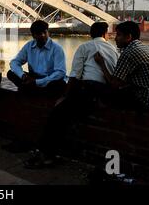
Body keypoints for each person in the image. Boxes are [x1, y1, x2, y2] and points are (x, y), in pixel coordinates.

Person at [21, 22, 119, 168]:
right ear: (105, 34)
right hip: (105, 93)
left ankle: (46, 155)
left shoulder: (85, 47)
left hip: (88, 90)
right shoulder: (114, 49)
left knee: (56, 115)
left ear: (91, 34)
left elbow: (74, 76)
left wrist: (64, 97)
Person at [94, 21, 149, 112]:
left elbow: (114, 83)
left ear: (128, 37)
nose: (115, 38)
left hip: (148, 103)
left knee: (102, 92)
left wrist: (102, 63)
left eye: (118, 35)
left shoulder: (129, 52)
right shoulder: (143, 48)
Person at [7, 20, 67, 97]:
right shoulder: (29, 46)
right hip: (32, 77)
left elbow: (60, 72)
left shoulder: (57, 49)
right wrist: (23, 76)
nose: (43, 35)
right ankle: (37, 91)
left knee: (60, 84)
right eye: (39, 33)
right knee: (11, 73)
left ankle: (31, 89)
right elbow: (14, 62)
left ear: (47, 32)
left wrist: (37, 82)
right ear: (33, 35)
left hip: (48, 79)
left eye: (45, 32)